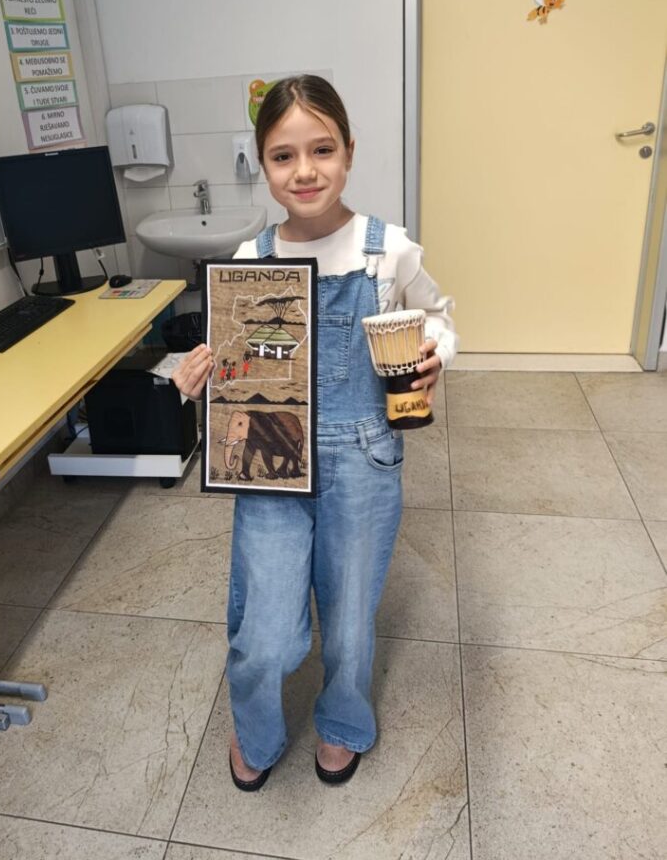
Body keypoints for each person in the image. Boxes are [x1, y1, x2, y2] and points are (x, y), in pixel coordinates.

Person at [173, 75, 458, 791]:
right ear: (264, 164)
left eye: (322, 150)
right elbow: (232, 356)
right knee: (265, 630)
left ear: (349, 152)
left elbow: (439, 315)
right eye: (283, 156)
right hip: (268, 457)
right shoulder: (251, 260)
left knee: (351, 615)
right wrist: (200, 374)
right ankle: (255, 730)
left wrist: (436, 355)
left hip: (363, 455)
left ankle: (342, 722)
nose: (304, 171)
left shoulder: (387, 250)